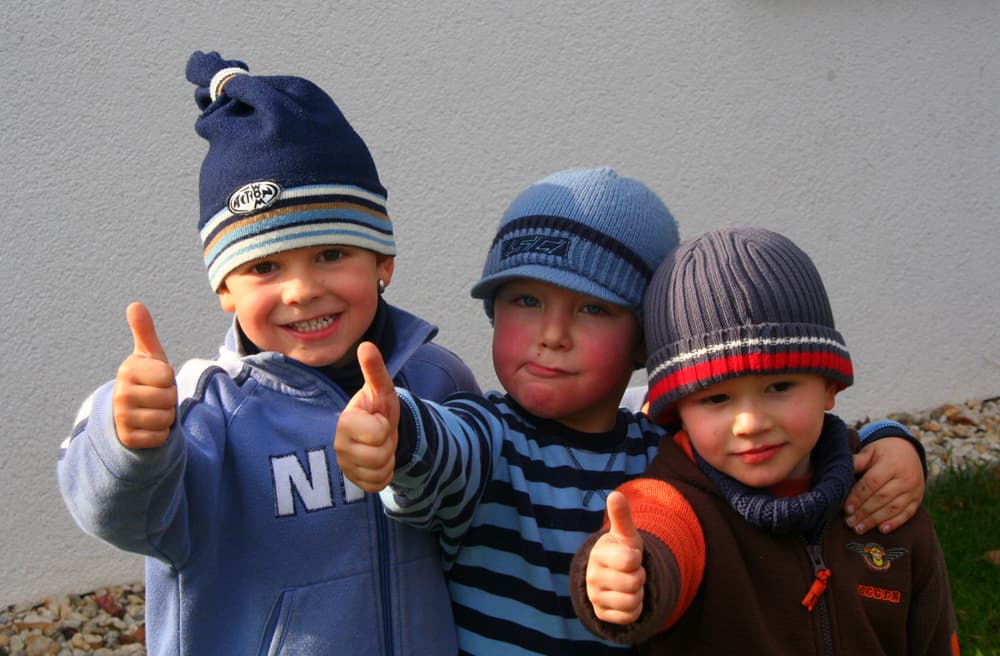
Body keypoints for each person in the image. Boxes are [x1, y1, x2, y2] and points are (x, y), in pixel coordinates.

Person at [334, 170, 928, 655]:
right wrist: (398, 431)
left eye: (593, 309)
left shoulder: (664, 442)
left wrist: (889, 442)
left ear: (646, 343)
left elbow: (792, 440)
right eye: (526, 300)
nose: (553, 334)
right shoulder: (491, 438)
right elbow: (441, 451)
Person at [57, 51, 478, 656]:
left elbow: (478, 506)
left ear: (383, 262)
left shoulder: (437, 378)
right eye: (265, 266)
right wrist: (129, 438)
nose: (302, 289)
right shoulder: (202, 415)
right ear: (225, 289)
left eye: (331, 254)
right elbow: (124, 517)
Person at [569, 226, 959, 654]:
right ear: (677, 411)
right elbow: (656, 533)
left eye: (779, 387)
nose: (750, 422)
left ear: (830, 385)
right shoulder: (673, 501)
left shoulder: (886, 499)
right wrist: (627, 571)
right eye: (716, 398)